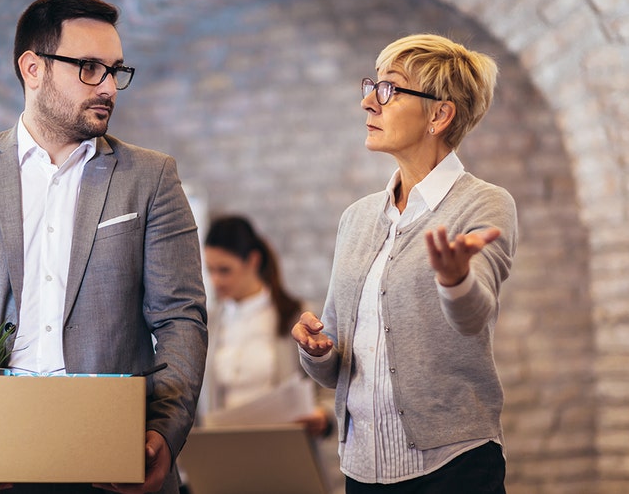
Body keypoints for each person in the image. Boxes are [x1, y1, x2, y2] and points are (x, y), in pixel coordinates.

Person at [0, 0, 208, 494]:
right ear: (33, 68)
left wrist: (163, 432)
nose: (108, 85)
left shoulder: (151, 178)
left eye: (115, 70)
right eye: (89, 67)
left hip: (110, 457)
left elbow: (181, 319)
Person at [292, 33, 517, 493]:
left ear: (439, 114)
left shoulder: (484, 204)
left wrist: (455, 280)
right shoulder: (356, 218)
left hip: (453, 468)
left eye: (390, 89)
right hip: (362, 468)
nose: (369, 103)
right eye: (372, 86)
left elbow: (475, 314)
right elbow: (335, 362)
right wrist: (316, 350)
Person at [200, 215, 331, 437]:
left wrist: (324, 416)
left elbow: (328, 383)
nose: (215, 281)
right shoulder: (208, 323)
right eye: (210, 270)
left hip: (283, 447)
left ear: (252, 261)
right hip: (224, 447)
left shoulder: (296, 316)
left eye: (224, 270)